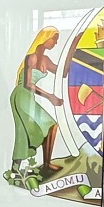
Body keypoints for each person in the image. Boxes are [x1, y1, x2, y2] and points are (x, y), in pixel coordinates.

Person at [8, 26, 65, 177]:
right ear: (46, 38)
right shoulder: (31, 57)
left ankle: (46, 164)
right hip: (21, 95)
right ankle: (16, 168)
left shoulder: (46, 60)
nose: (55, 43)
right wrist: (50, 97)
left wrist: (72, 49)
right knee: (22, 130)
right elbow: (28, 84)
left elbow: (63, 72)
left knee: (51, 126)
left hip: (29, 97)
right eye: (54, 39)